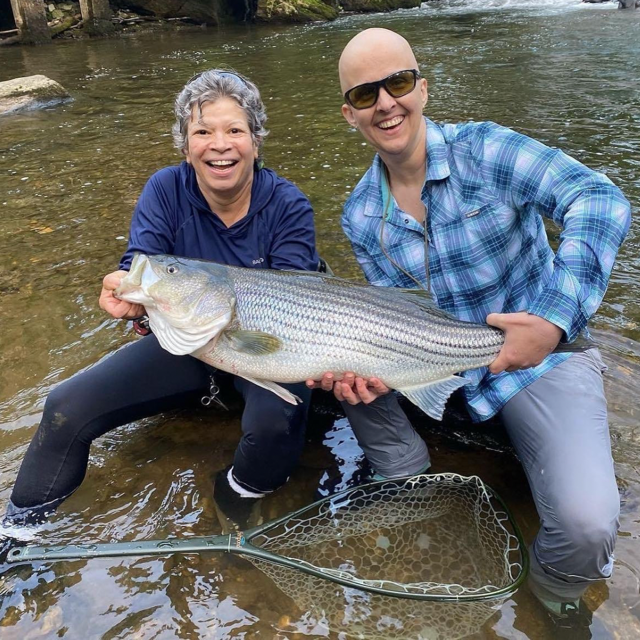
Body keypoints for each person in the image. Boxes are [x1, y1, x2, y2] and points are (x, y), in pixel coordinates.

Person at [308, 28, 631, 627]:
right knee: (340, 368)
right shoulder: (360, 215)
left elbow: (599, 199)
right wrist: (366, 369)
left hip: (537, 361)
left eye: (399, 83)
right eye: (365, 94)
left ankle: (551, 594)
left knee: (587, 524)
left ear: (423, 88)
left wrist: (553, 319)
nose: (386, 103)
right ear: (349, 113)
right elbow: (394, 312)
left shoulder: (487, 150)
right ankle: (404, 479)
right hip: (434, 360)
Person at [1, 69, 319, 545]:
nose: (220, 145)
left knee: (276, 424)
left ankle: (234, 500)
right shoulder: (165, 189)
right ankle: (17, 536)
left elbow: (301, 302)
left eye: (235, 130)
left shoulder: (288, 204)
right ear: (185, 145)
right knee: (66, 406)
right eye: (202, 131)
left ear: (256, 140)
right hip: (185, 344)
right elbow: (138, 265)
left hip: (266, 349)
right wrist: (123, 293)